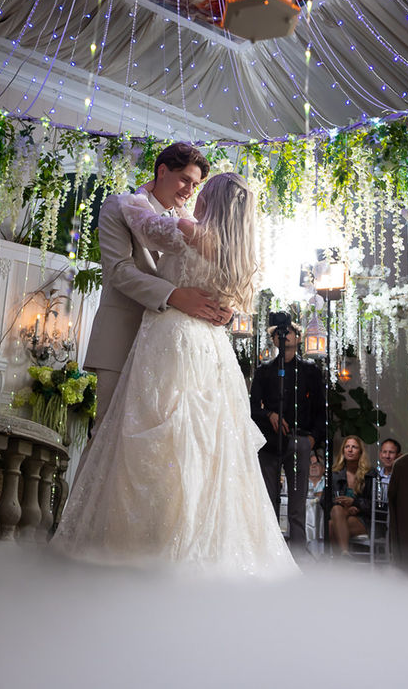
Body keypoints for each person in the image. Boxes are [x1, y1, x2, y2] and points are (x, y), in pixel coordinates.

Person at [53, 173, 298, 577]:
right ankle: (196, 540)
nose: (192, 194)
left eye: (201, 188)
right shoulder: (241, 254)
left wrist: (144, 193)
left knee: (160, 433)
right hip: (211, 348)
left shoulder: (189, 230)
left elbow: (141, 221)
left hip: (174, 339)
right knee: (203, 442)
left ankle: (148, 543)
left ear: (211, 200)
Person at [83, 142, 232, 431]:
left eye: (196, 185)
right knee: (109, 433)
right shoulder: (120, 205)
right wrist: (174, 296)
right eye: (185, 179)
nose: (189, 190)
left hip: (170, 348)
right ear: (162, 171)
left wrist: (221, 308)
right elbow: (119, 270)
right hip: (122, 338)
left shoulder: (189, 223)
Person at [250, 321, 325, 555]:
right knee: (269, 498)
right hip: (269, 441)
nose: (284, 336)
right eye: (278, 333)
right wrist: (269, 414)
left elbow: (320, 409)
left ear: (299, 337)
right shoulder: (264, 370)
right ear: (273, 340)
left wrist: (312, 439)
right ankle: (270, 552)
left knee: (297, 501)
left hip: (299, 438)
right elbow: (252, 407)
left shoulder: (310, 371)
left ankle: (299, 553)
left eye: (289, 332)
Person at [329, 435, 376, 558]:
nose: (350, 450)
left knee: (332, 525)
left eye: (354, 447)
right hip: (341, 515)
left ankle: (339, 562)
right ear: (343, 451)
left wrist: (355, 503)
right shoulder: (335, 474)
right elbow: (325, 500)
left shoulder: (370, 474)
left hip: (364, 519)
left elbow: (376, 504)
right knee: (336, 510)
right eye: (347, 447)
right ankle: (344, 554)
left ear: (360, 452)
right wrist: (346, 509)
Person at [306, 449, 325, 558]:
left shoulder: (327, 482)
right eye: (310, 464)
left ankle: (319, 554)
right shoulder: (301, 481)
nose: (313, 466)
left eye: (316, 464)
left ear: (323, 468)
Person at [377, 437, 401, 503]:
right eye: (384, 452)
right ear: (380, 455)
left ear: (398, 456)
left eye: (391, 452)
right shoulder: (374, 476)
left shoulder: (403, 478)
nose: (387, 456)